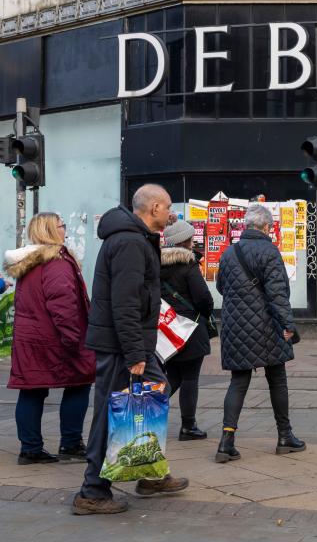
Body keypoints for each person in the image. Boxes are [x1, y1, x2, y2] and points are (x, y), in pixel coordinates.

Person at [74, 184, 189, 516]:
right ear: (154, 208)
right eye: (168, 208)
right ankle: (92, 492)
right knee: (112, 414)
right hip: (121, 345)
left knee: (156, 393)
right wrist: (135, 355)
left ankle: (148, 472)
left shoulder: (136, 239)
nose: (172, 215)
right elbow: (124, 304)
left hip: (130, 342)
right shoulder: (128, 242)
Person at [214, 204, 305, 462]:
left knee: (238, 382)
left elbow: (221, 287)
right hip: (267, 326)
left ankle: (226, 441)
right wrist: (289, 325)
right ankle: (285, 436)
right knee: (277, 379)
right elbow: (278, 295)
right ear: (267, 227)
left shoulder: (229, 253)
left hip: (235, 326)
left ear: (246, 225)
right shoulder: (269, 251)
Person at [5, 213, 93, 465]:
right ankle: (71, 443)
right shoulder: (56, 263)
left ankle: (30, 449)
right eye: (61, 226)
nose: (65, 229)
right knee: (80, 381)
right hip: (53, 339)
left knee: (31, 390)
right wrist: (74, 339)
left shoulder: (28, 262)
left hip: (30, 339)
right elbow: (64, 306)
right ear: (51, 231)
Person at [159, 220, 215, 441]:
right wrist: (204, 312)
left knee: (172, 375)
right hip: (189, 329)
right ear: (187, 241)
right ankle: (188, 426)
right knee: (190, 378)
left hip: (167, 330)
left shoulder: (157, 265)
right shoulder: (188, 265)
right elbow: (204, 299)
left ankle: (148, 412)